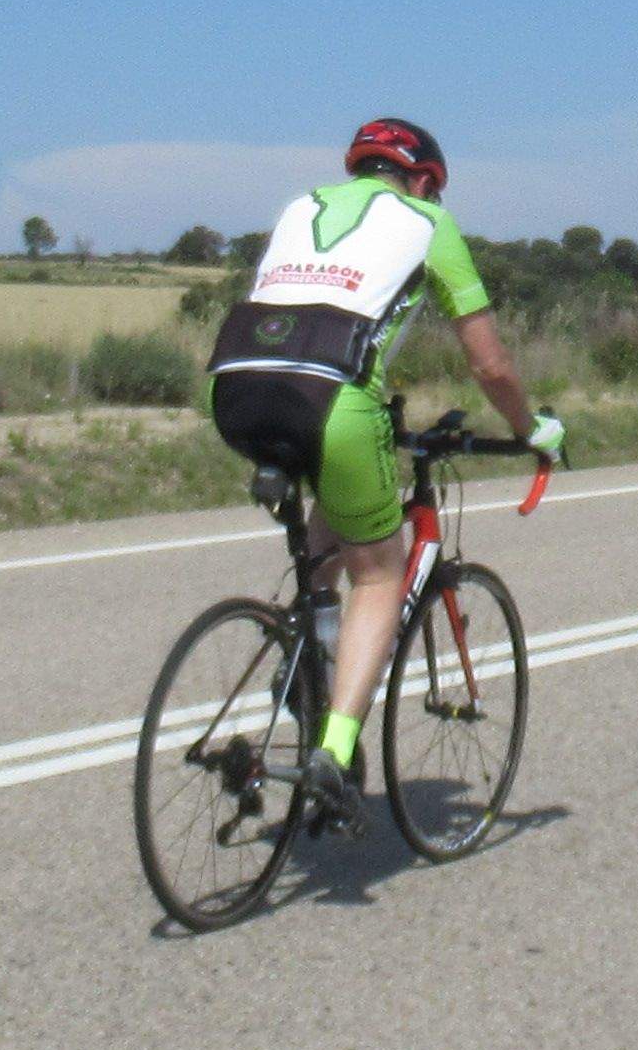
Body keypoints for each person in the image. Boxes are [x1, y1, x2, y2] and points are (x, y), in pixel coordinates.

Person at [202, 117, 562, 810]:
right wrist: (531, 429)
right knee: (380, 574)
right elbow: (489, 362)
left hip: (235, 386)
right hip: (333, 399)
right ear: (425, 180)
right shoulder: (429, 222)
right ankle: (334, 750)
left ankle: (309, 654)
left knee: (335, 528)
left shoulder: (300, 206)